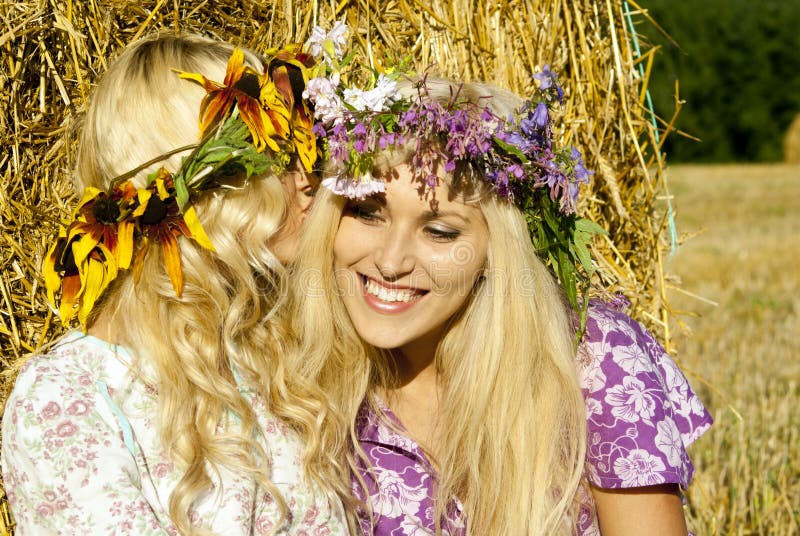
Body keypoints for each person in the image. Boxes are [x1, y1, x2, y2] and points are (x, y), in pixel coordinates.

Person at [293, 44, 713, 535]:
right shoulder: (294, 376)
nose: (390, 261)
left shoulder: (595, 359)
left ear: (499, 252)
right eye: (368, 213)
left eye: (441, 232)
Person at [1, 34, 351, 534]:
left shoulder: (276, 355)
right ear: (204, 185)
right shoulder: (68, 397)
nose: (307, 178)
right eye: (278, 155)